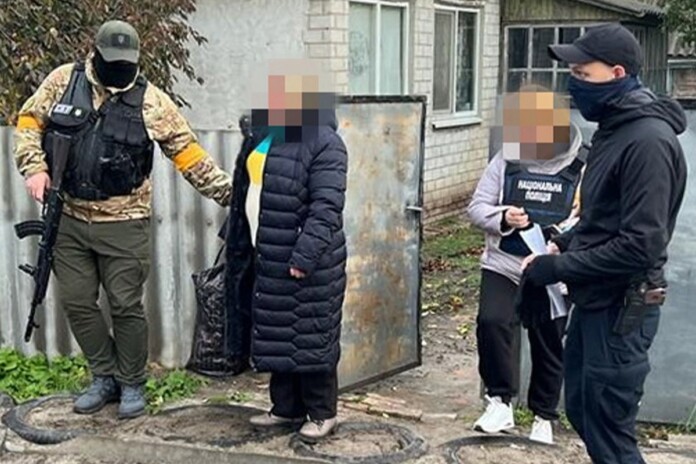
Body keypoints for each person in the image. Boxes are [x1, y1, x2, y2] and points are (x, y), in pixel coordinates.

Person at [13, 20, 232, 419]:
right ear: (95, 52)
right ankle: (104, 376)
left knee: (125, 304)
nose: (119, 68)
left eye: (125, 61)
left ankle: (131, 382)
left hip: (124, 221)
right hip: (69, 218)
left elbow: (189, 157)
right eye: (111, 60)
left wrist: (234, 195)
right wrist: (34, 168)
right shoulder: (63, 81)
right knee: (76, 301)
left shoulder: (152, 102)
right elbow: (29, 121)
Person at [522, 23, 687, 463]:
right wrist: (565, 242)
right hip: (596, 302)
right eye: (571, 74)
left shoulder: (647, 142)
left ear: (617, 73)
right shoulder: (614, 130)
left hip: (621, 309)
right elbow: (604, 216)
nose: (574, 85)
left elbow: (640, 245)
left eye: (583, 74)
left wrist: (557, 269)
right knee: (583, 408)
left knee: (609, 432)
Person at [222, 60, 347, 441]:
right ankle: (285, 409)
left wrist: (304, 256)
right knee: (278, 332)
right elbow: (246, 189)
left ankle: (322, 412)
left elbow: (326, 207)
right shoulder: (266, 135)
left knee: (311, 334)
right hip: (267, 252)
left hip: (307, 260)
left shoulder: (325, 142)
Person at [468, 85, 585, 445]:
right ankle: (499, 401)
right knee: (492, 323)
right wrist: (503, 216)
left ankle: (543, 416)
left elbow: (590, 218)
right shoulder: (506, 160)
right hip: (503, 263)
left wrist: (561, 239)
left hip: (552, 270)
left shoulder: (582, 165)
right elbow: (476, 207)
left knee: (548, 340)